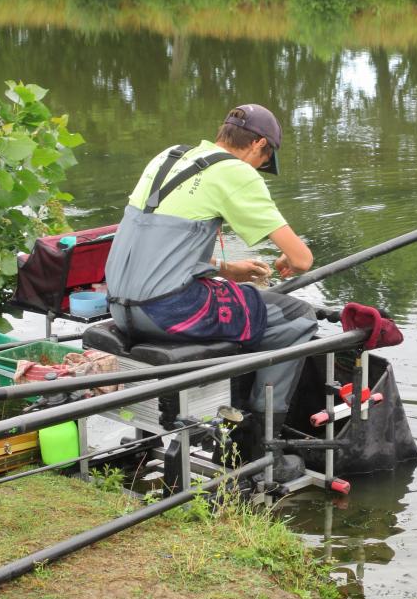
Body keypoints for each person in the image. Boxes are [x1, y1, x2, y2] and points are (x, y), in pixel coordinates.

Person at [105, 104, 317, 428]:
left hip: (120, 305)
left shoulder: (169, 157)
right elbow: (302, 259)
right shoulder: (234, 171)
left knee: (244, 295)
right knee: (297, 319)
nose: (259, 169)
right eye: (264, 161)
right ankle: (262, 440)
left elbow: (156, 247)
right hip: (168, 311)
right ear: (260, 144)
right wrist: (288, 256)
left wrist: (226, 270)